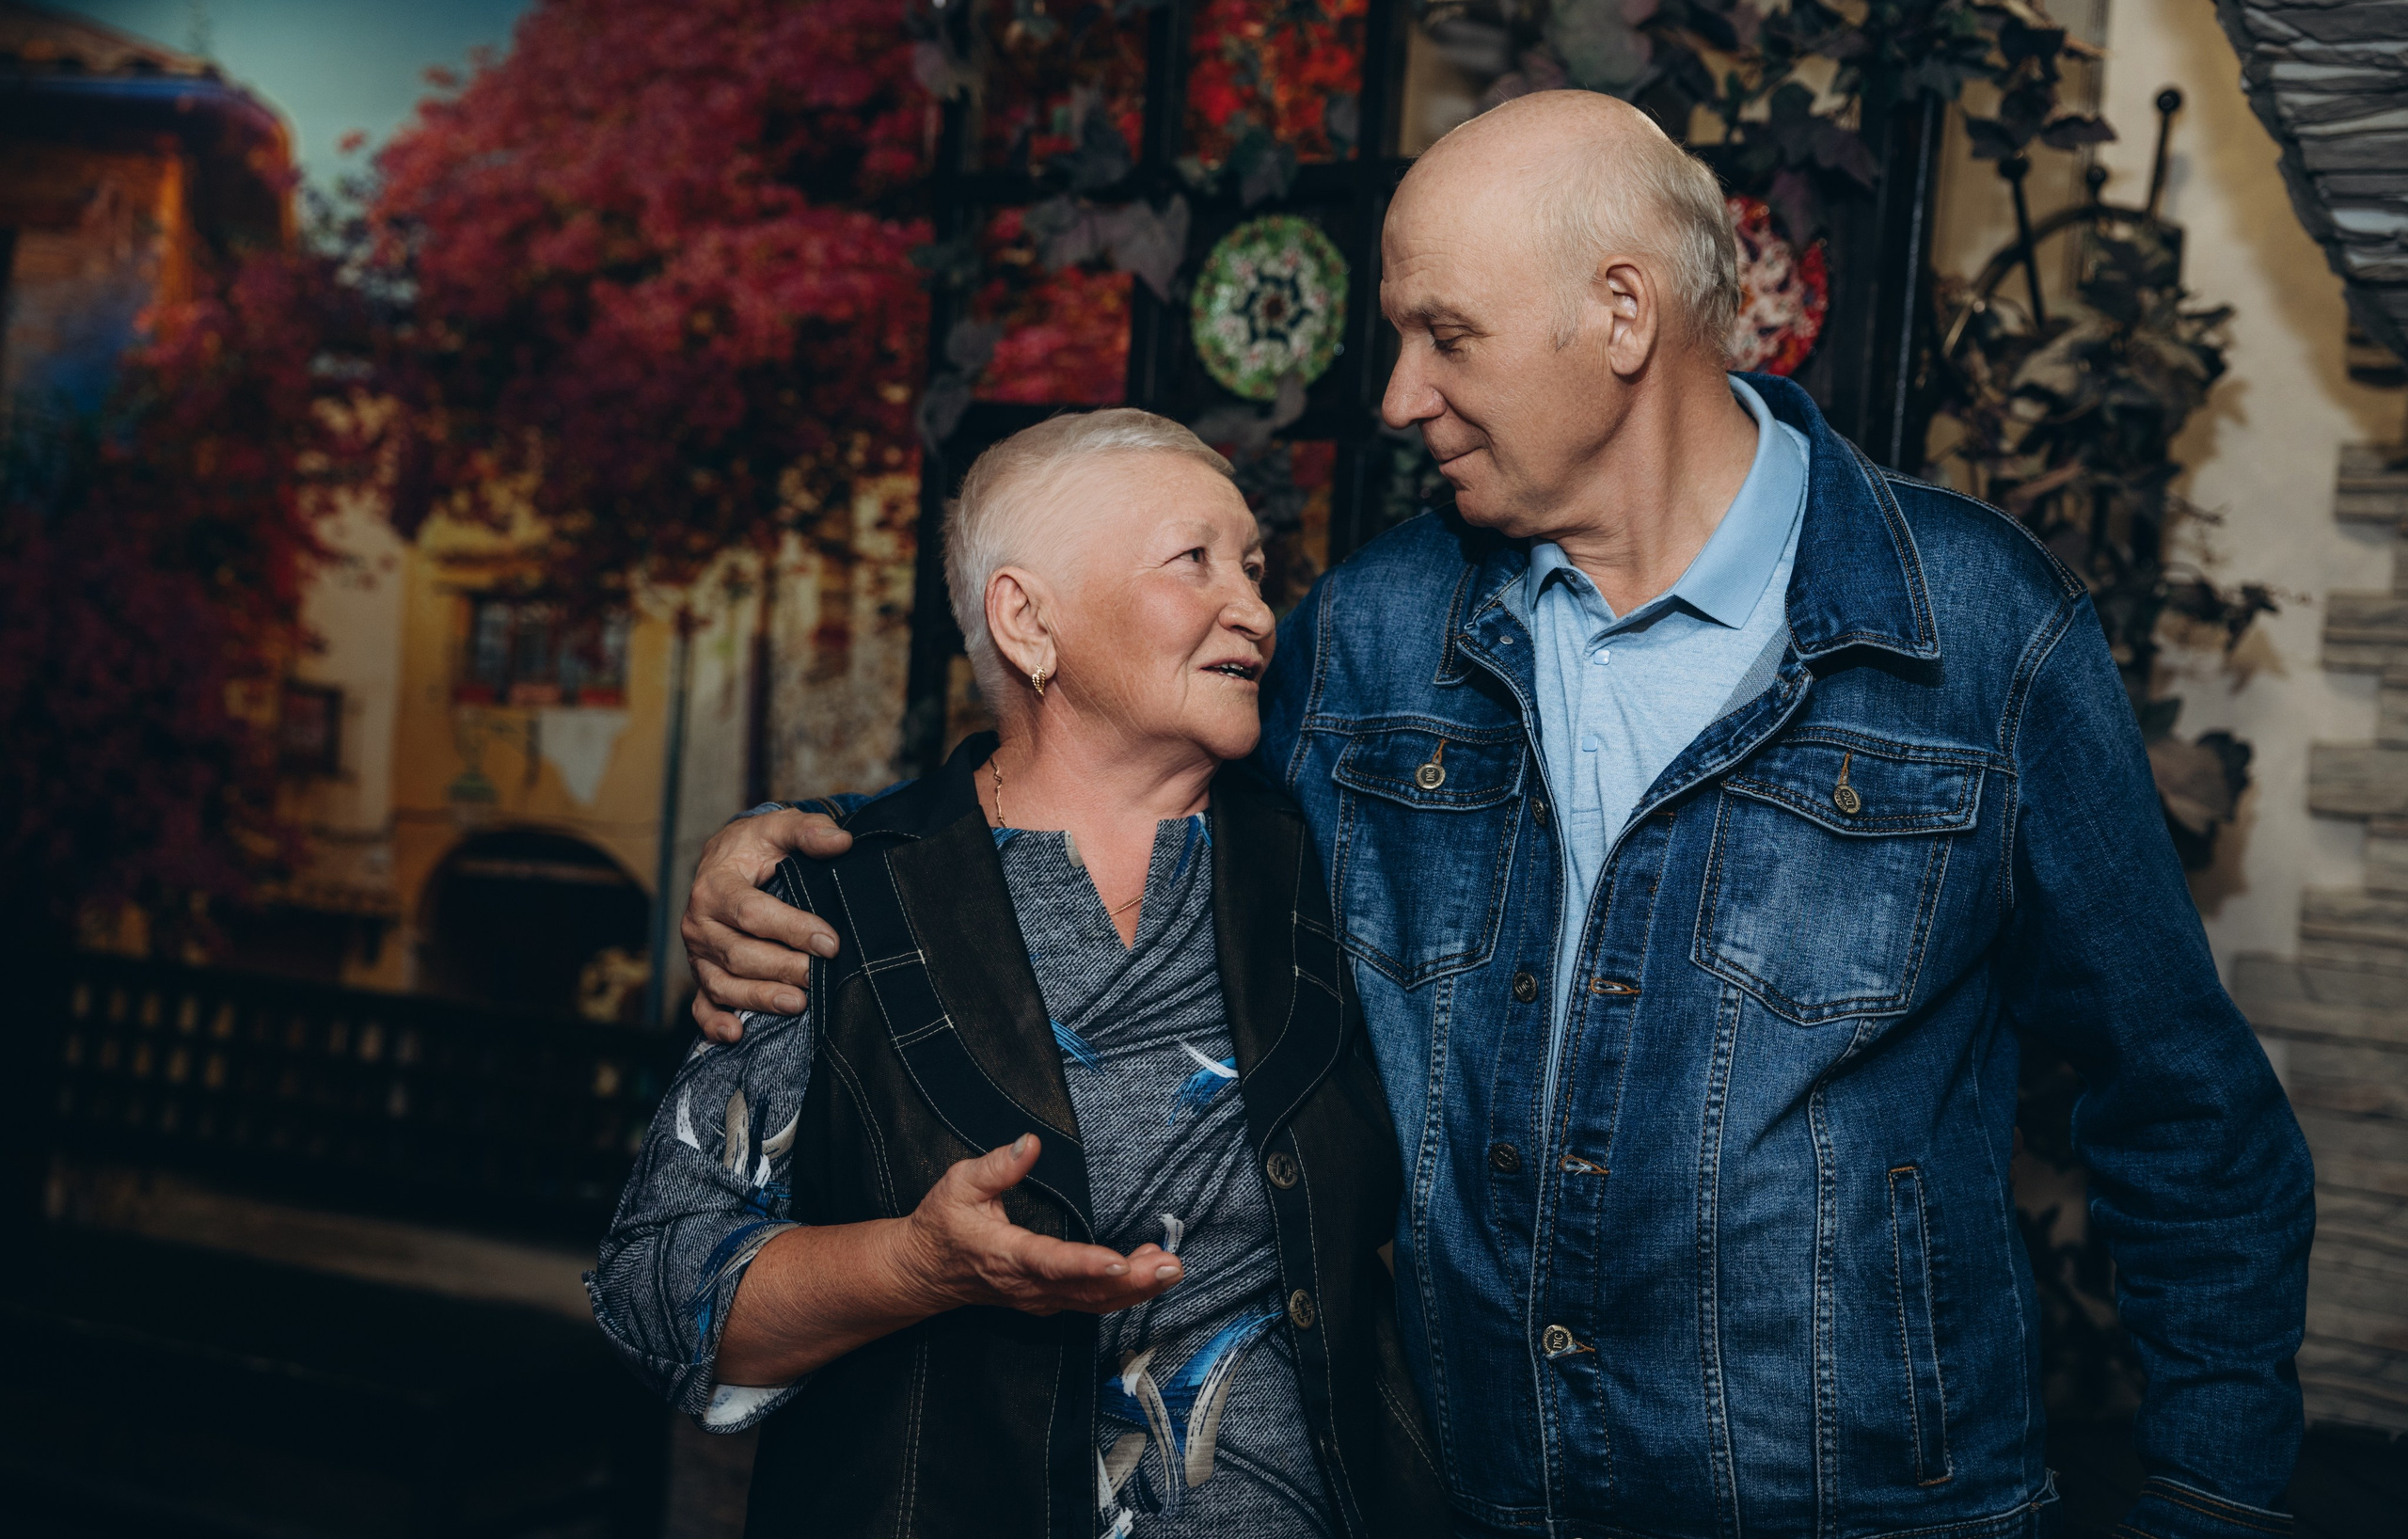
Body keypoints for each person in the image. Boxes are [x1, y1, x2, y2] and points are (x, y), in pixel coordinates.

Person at [683, 93, 2315, 1539]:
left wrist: (2216, 1494)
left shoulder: (1976, 628)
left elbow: (2188, 1113)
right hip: (1452, 1495)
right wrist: (826, 851)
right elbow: (1120, 796)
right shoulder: (1378, 636)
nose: (1395, 397)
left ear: (1621, 313)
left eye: (1443, 335)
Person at [590, 411, 1447, 1539]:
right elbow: (654, 1291)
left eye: (1252, 565)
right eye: (1195, 560)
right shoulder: (827, 903)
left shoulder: (1334, 873)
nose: (1251, 605)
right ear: (1026, 619)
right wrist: (916, 1264)